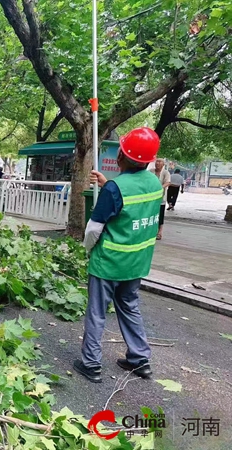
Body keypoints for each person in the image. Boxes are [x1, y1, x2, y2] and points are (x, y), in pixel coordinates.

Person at [74, 127, 163, 384]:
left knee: (97, 312)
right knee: (129, 307)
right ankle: (140, 359)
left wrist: (87, 250)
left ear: (122, 156)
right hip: (137, 262)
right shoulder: (154, 183)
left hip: (109, 263)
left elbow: (94, 229)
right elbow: (133, 206)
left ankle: (91, 364)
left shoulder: (116, 189)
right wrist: (106, 184)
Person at [150, 158, 170, 240]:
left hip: (161, 197)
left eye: (159, 162)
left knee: (160, 215)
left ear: (163, 164)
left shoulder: (165, 172)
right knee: (151, 213)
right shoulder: (151, 171)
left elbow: (168, 182)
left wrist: (161, 187)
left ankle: (159, 232)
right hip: (151, 197)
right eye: (156, 162)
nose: (157, 163)